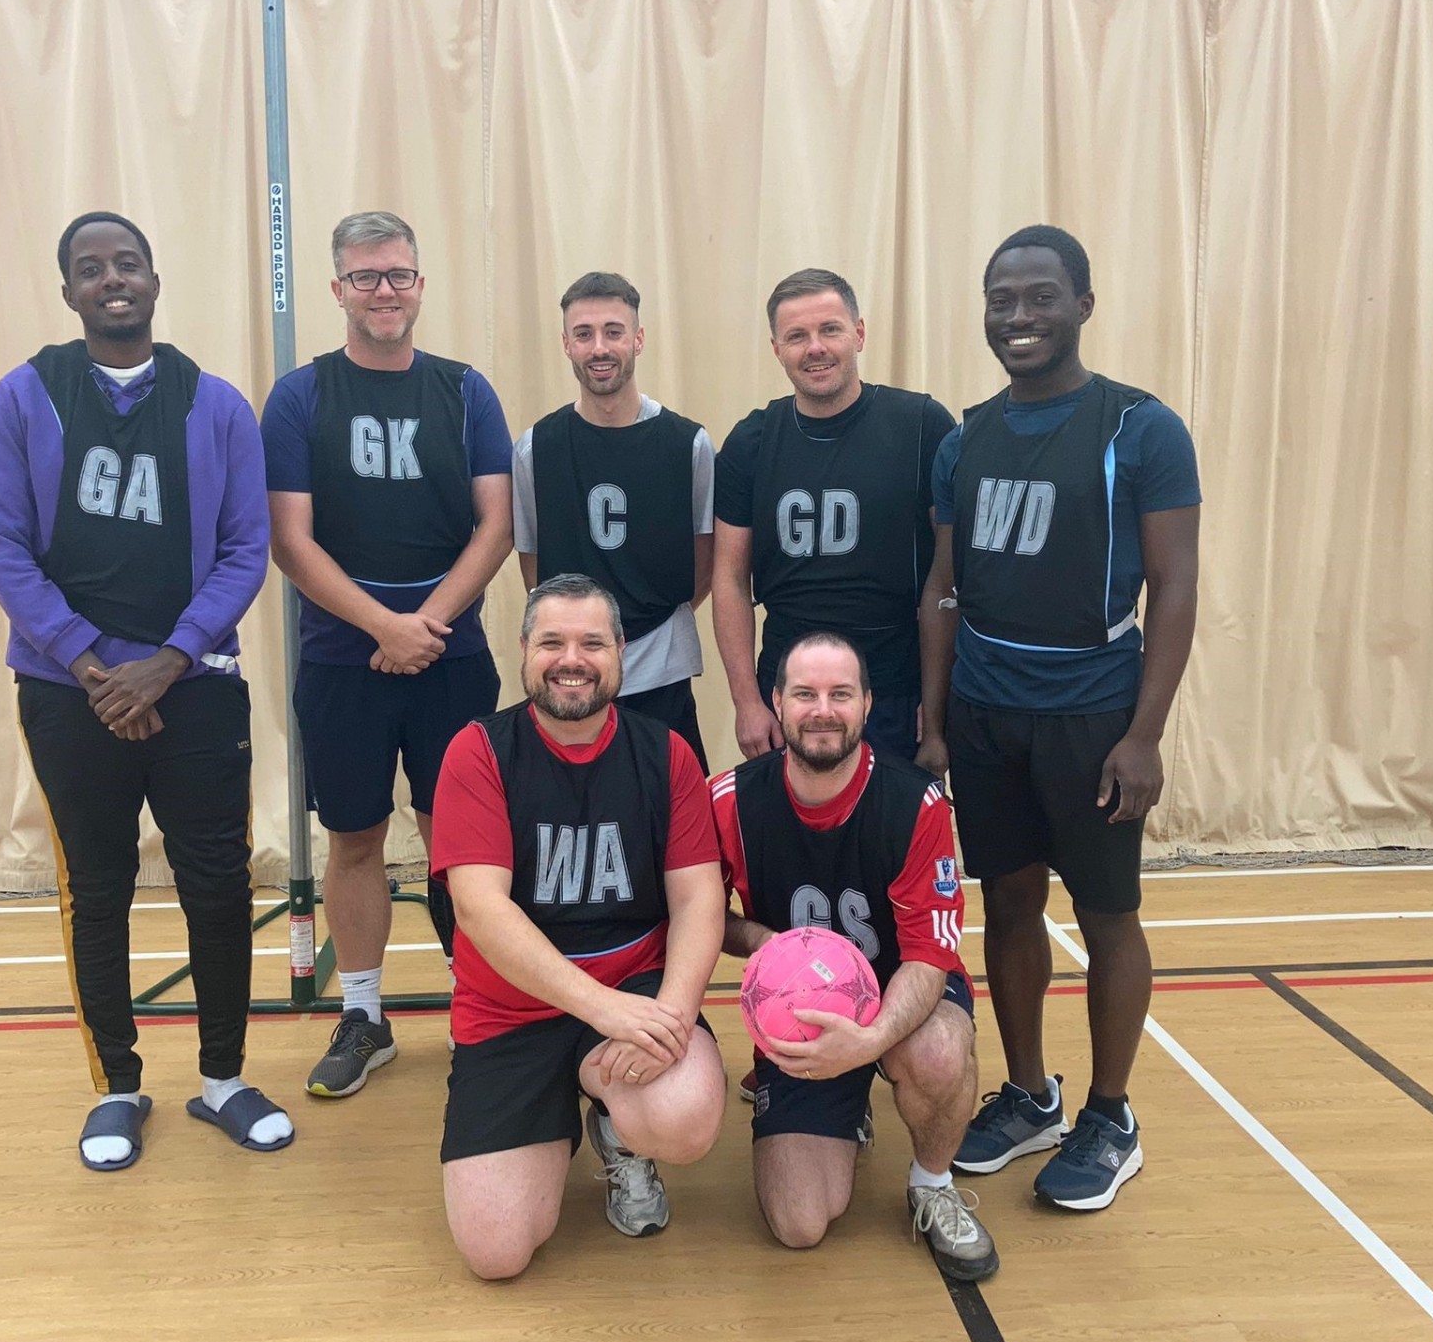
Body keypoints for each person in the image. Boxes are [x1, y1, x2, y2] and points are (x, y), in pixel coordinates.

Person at [0, 211, 292, 1170]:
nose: (113, 279)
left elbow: (245, 550)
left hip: (192, 684)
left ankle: (225, 1078)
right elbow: (2, 548)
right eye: (90, 268)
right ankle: (115, 1087)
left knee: (217, 881)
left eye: (128, 263)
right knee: (97, 885)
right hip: (69, 690)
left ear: (154, 279)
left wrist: (172, 659)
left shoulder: (217, 403)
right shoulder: (25, 397)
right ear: (67, 291)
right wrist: (92, 665)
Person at [919, 225, 1200, 1211]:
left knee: (1109, 914)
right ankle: (1033, 1092)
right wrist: (934, 717)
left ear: (1084, 303)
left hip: (1093, 715)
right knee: (1007, 904)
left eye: (1040, 296)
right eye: (1001, 299)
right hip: (989, 715)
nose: (1018, 316)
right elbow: (945, 591)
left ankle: (1110, 1114)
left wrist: (1146, 733)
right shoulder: (966, 439)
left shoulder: (1140, 430)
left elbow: (1173, 587)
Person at [261, 210, 514, 1098]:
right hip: (342, 663)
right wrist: (380, 627)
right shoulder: (299, 397)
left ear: (419, 284)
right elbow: (290, 541)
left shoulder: (464, 391)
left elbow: (497, 523)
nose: (383, 291)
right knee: (356, 837)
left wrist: (426, 627)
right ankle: (363, 1014)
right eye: (365, 277)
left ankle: (482, 1009)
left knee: (465, 845)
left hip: (450, 657)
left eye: (398, 275)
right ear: (336, 289)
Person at [429, 575, 726, 1278]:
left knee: (684, 1116)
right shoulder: (477, 752)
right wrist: (605, 1009)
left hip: (633, 989)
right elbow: (480, 909)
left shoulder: (666, 754)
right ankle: (560, 1108)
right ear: (524, 649)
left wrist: (673, 1018)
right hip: (512, 1013)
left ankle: (622, 1130)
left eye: (592, 642)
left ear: (621, 652)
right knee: (496, 1253)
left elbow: (699, 901)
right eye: (552, 642)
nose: (573, 659)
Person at [713, 631, 997, 1282]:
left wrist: (869, 1041)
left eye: (841, 694)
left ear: (867, 705)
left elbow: (930, 958)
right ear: (776, 703)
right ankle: (849, 1110)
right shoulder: (729, 801)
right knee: (798, 1223)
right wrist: (767, 944)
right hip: (803, 1017)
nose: (823, 710)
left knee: (938, 1051)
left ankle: (932, 1184)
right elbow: (699, 917)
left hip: (903, 1001)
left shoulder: (916, 803)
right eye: (805, 693)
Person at [712, 269, 953, 768]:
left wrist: (937, 700)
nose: (814, 348)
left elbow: (948, 577)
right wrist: (746, 703)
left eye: (830, 329)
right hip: (788, 693)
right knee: (790, 842)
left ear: (859, 333)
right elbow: (730, 579)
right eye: (797, 336)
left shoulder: (922, 426)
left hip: (895, 689)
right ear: (777, 348)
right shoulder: (751, 442)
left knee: (894, 841)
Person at [512, 272, 715, 773]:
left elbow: (704, 567)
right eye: (584, 334)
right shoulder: (536, 448)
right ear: (566, 344)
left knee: (671, 820)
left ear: (638, 339)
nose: (599, 347)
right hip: (572, 674)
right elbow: (533, 566)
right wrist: (583, 641)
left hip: (661, 665)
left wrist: (639, 635)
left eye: (614, 331)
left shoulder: (689, 443)